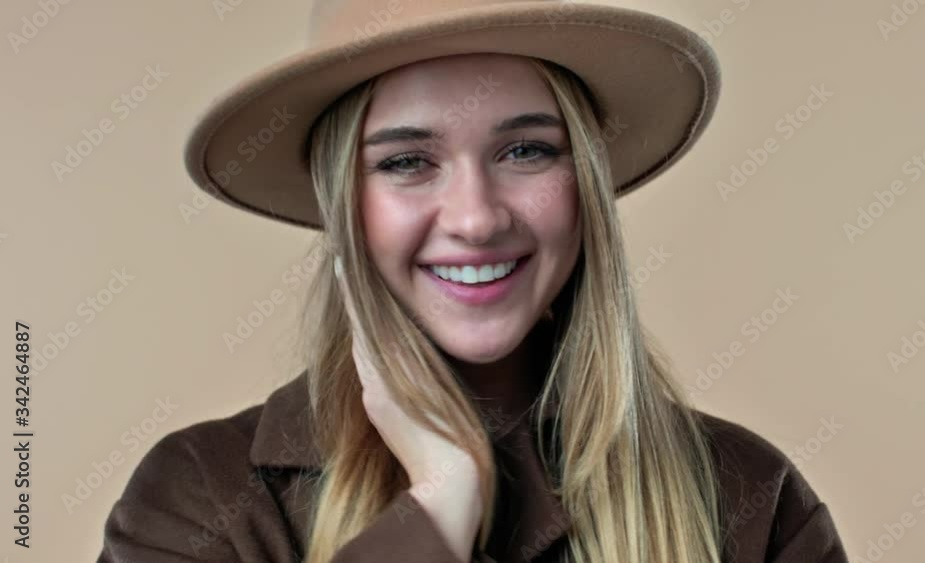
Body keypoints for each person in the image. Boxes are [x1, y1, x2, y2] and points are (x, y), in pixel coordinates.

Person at [98, 1, 849, 562]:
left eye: (526, 150)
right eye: (405, 161)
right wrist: (439, 504)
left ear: (584, 184)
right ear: (344, 206)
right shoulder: (201, 500)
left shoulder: (752, 500)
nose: (477, 218)